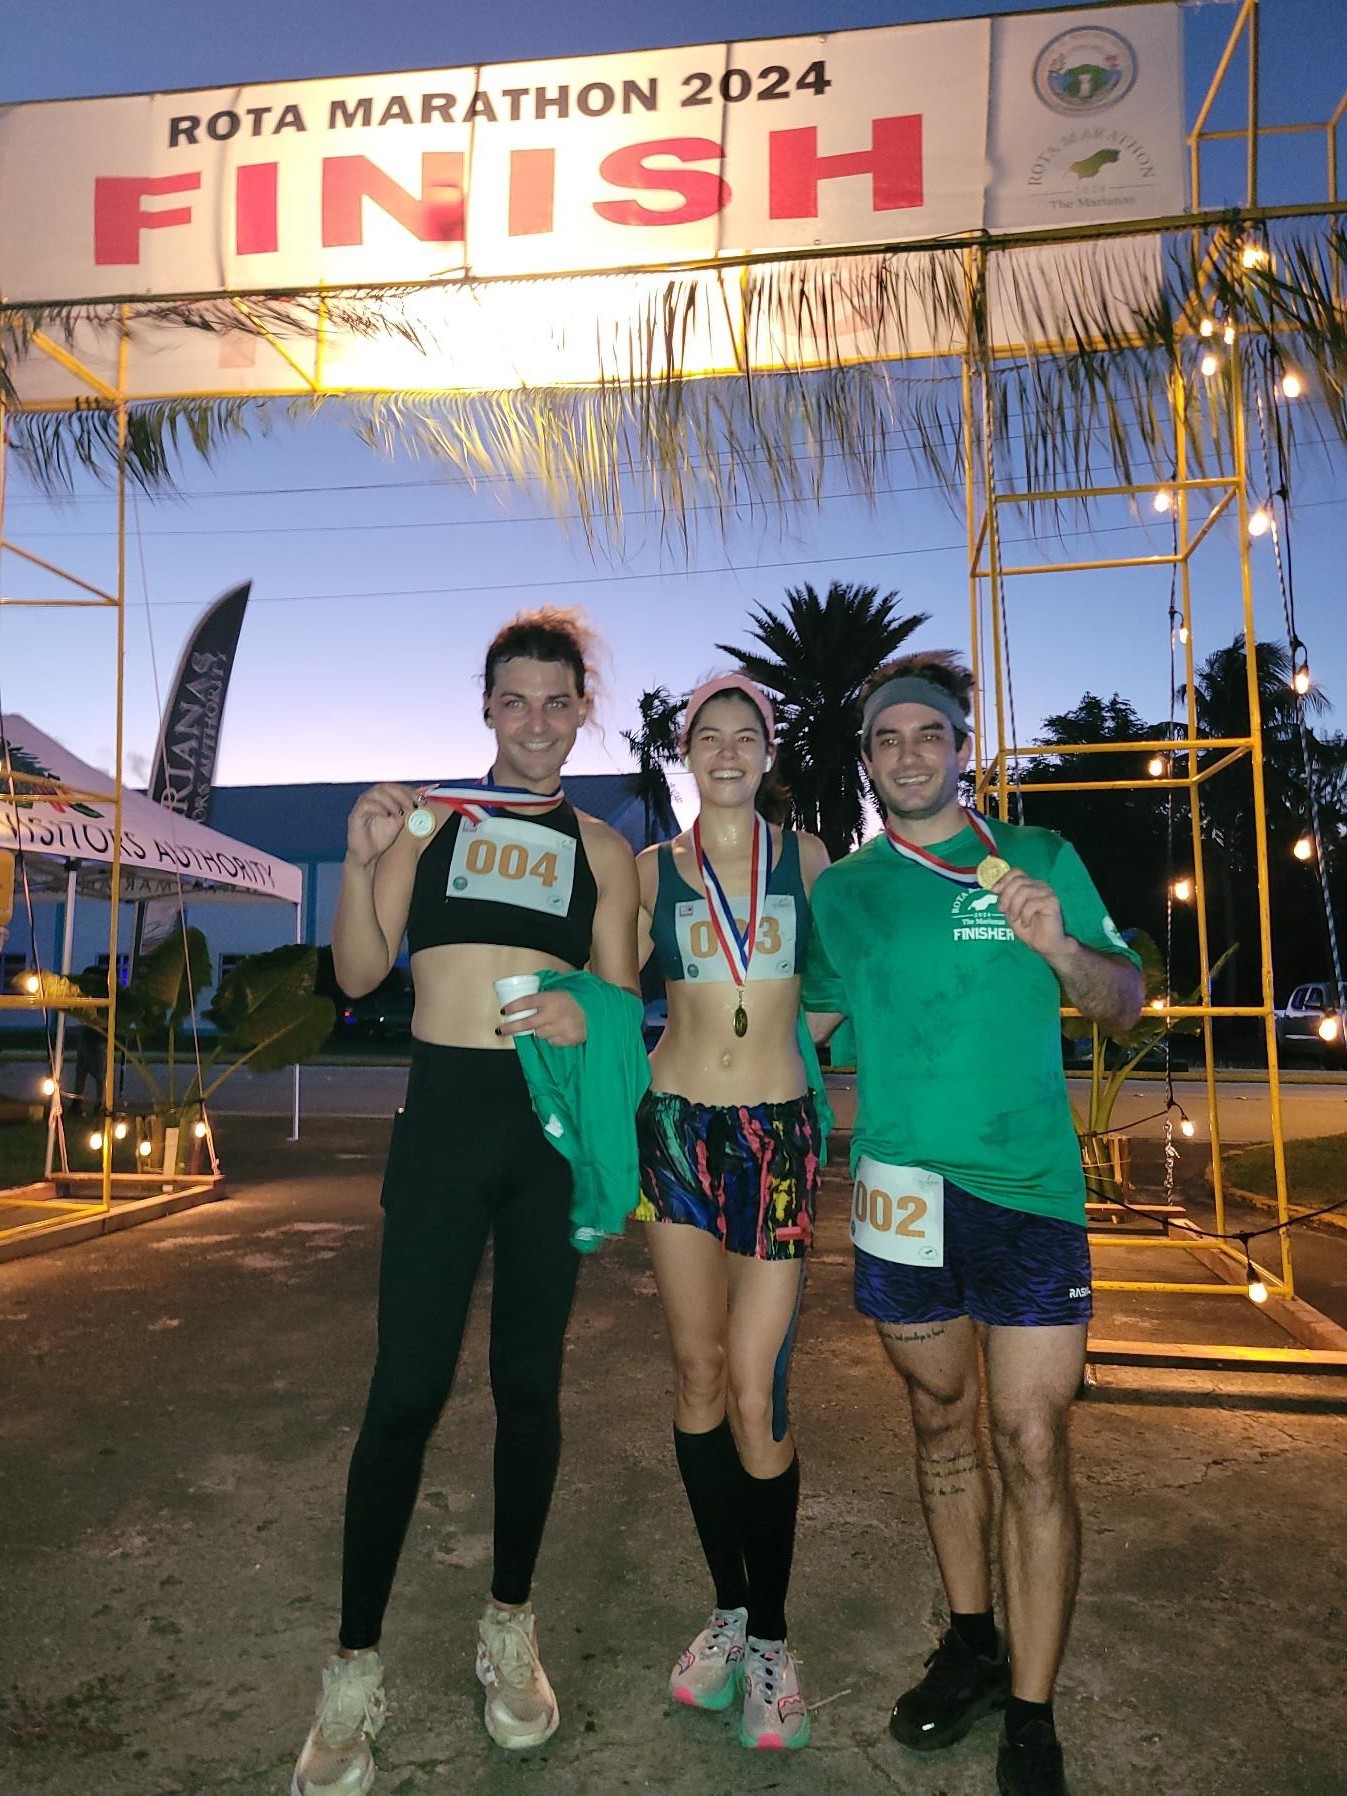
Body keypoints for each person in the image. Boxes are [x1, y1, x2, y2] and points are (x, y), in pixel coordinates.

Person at [292, 609, 640, 1795]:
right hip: (442, 1119)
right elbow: (353, 972)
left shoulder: (603, 847)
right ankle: (350, 1674)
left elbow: (622, 999)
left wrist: (589, 1008)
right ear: (485, 709)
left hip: (542, 1128)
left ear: (580, 709)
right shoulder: (429, 823)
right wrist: (355, 854)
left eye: (557, 702)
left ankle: (509, 1622)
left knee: (529, 1386)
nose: (536, 722)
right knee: (403, 1393)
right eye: (515, 702)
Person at [802, 651, 1143, 1796]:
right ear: (868, 760)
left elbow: (1124, 997)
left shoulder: (1037, 860)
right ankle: (974, 1641)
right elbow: (794, 1026)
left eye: (928, 733)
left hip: (1031, 1197)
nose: (908, 752)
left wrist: (1056, 946)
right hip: (901, 1196)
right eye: (886, 737)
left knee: (1033, 1444)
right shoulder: (843, 892)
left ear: (961, 746)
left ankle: (1033, 1715)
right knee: (941, 1423)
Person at [633, 673, 830, 1752]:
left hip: (778, 1136)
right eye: (706, 734)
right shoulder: (652, 869)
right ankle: (727, 1603)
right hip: (674, 1130)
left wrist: (809, 1039)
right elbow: (612, 986)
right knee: (700, 1374)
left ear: (766, 749)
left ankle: (773, 1638)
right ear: (685, 752)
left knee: (759, 1389)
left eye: (743, 733)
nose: (724, 748)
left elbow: (845, 973)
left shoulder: (807, 861)